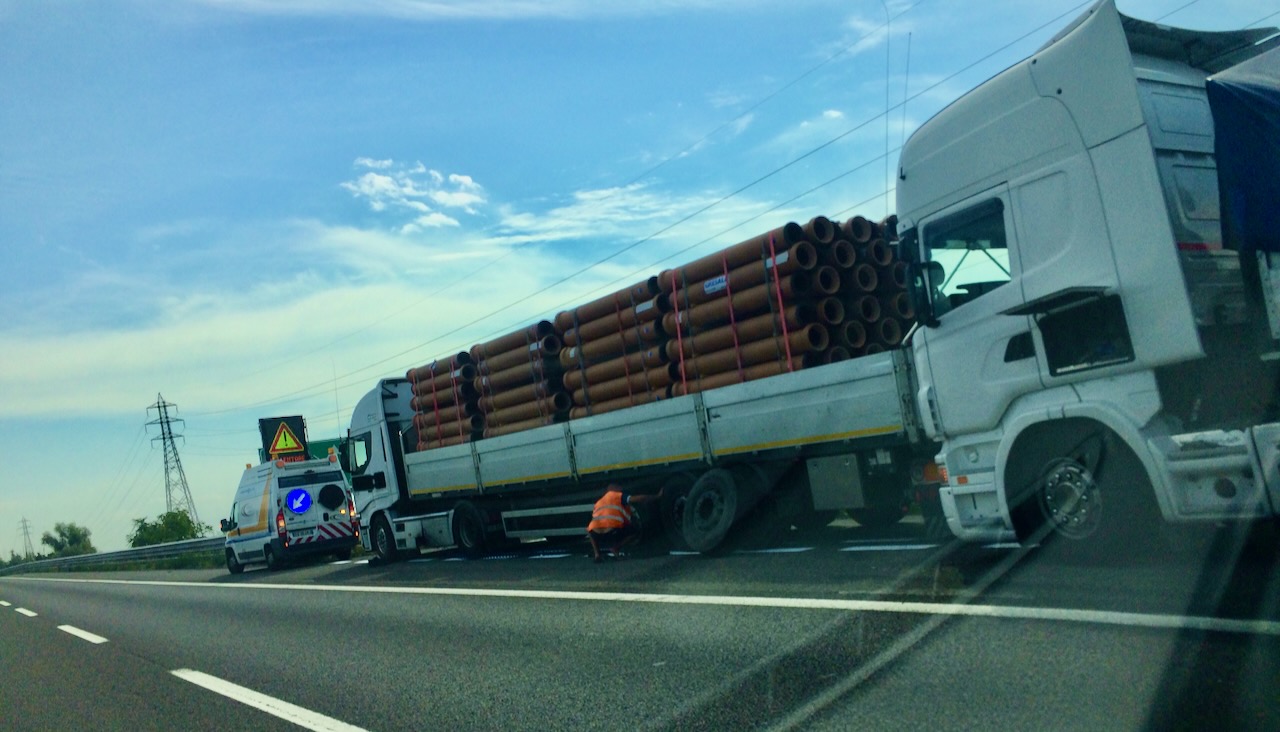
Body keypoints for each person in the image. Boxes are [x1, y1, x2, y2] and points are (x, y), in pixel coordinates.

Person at [587, 484, 662, 563]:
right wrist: (656, 496)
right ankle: (616, 548)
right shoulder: (617, 496)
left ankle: (597, 554)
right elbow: (639, 499)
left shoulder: (599, 501)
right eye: (619, 487)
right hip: (612, 531)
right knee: (634, 531)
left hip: (596, 534)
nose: (621, 488)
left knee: (591, 530)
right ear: (615, 489)